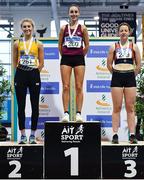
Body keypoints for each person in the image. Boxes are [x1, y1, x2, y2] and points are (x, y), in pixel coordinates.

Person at [107, 22, 141, 144]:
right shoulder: (113, 47)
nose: (123, 32)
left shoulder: (134, 47)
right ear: (118, 32)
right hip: (117, 76)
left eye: (125, 30)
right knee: (116, 107)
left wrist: (131, 74)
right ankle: (115, 135)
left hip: (130, 77)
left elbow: (138, 64)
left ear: (129, 32)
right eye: (121, 30)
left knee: (130, 108)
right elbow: (109, 65)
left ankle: (132, 135)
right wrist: (116, 73)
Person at [13, 18, 44, 144]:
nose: (27, 29)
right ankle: (23, 135)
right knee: (21, 106)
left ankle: (32, 135)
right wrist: (21, 70)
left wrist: (34, 72)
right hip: (20, 74)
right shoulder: (17, 43)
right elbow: (14, 61)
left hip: (33, 75)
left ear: (33, 28)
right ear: (22, 28)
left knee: (34, 106)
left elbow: (41, 63)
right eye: (24, 27)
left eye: (29, 26)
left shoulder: (39, 44)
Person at [58, 4, 89, 122]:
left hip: (79, 59)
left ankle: (78, 114)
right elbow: (59, 45)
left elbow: (87, 45)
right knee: (65, 86)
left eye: (76, 12)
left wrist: (80, 54)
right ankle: (66, 113)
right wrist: (65, 54)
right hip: (66, 59)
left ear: (79, 13)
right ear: (69, 13)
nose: (74, 14)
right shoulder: (63, 28)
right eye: (72, 12)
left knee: (79, 86)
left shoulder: (83, 28)